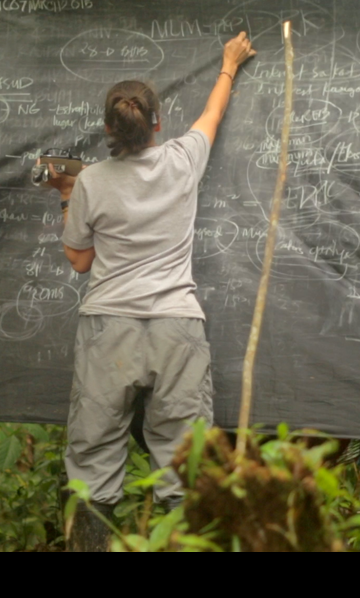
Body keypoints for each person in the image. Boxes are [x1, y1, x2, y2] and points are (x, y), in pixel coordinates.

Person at [41, 32, 256, 551]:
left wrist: (68, 195)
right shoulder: (183, 159)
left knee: (93, 459)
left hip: (107, 330)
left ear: (109, 129)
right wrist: (229, 64)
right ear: (157, 123)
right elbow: (212, 115)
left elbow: (78, 260)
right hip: (176, 329)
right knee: (185, 461)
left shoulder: (91, 181)